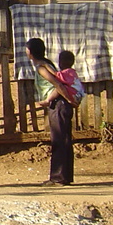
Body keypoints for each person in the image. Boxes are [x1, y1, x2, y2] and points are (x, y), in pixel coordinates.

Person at [26, 38, 77, 186]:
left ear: (30, 52)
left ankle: (58, 178)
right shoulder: (47, 64)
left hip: (58, 104)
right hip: (61, 104)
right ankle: (65, 176)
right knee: (65, 140)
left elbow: (58, 83)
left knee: (59, 140)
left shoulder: (42, 67)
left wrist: (68, 99)